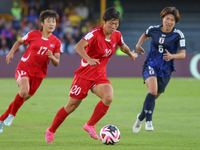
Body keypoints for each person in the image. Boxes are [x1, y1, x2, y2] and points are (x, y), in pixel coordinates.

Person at [45, 7, 138, 143]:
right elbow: (78, 46)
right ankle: (51, 130)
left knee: (108, 97)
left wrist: (130, 54)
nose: (113, 26)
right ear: (103, 22)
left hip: (99, 76)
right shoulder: (94, 34)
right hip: (84, 75)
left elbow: (122, 46)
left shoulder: (117, 35)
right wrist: (88, 59)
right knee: (71, 106)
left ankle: (90, 125)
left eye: (116, 23)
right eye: (111, 23)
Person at [0, 10, 62, 133]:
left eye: (54, 22)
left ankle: (1, 119)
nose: (52, 24)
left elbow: (57, 63)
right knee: (23, 91)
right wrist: (11, 52)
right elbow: (19, 42)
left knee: (22, 97)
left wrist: (52, 57)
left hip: (39, 75)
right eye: (49, 21)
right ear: (42, 23)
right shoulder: (33, 34)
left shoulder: (56, 42)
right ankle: (12, 115)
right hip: (24, 68)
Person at [132, 7, 186, 133]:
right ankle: (149, 122)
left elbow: (183, 54)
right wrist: (138, 45)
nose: (169, 22)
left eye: (172, 20)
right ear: (163, 18)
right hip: (151, 64)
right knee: (152, 90)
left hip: (166, 70)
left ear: (175, 22)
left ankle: (140, 118)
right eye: (167, 18)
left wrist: (172, 56)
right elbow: (145, 35)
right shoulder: (153, 29)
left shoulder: (178, 34)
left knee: (153, 97)